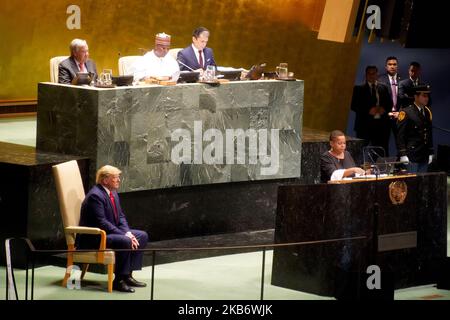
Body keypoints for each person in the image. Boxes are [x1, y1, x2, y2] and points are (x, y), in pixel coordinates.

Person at [78, 165, 149, 293]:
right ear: (105, 180)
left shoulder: (113, 193)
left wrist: (127, 233)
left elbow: (120, 216)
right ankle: (118, 281)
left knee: (141, 236)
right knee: (125, 241)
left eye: (118, 177)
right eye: (115, 178)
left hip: (110, 232)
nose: (119, 180)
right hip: (95, 237)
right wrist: (125, 236)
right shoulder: (95, 196)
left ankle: (127, 276)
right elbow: (101, 222)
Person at [351, 65, 392, 156]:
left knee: (381, 152)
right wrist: (368, 110)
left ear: (377, 74)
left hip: (381, 126)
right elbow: (354, 105)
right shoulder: (358, 89)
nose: (371, 75)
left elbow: (390, 103)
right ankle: (359, 170)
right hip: (364, 126)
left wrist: (384, 109)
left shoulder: (384, 88)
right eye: (369, 74)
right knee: (359, 152)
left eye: (373, 73)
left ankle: (381, 169)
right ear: (366, 75)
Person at [397, 85, 434, 173]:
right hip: (412, 155)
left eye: (427, 96)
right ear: (416, 96)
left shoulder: (427, 112)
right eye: (424, 96)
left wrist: (431, 151)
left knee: (422, 183)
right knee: (412, 183)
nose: (426, 98)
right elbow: (400, 135)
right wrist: (403, 154)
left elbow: (429, 132)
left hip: (424, 154)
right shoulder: (406, 112)